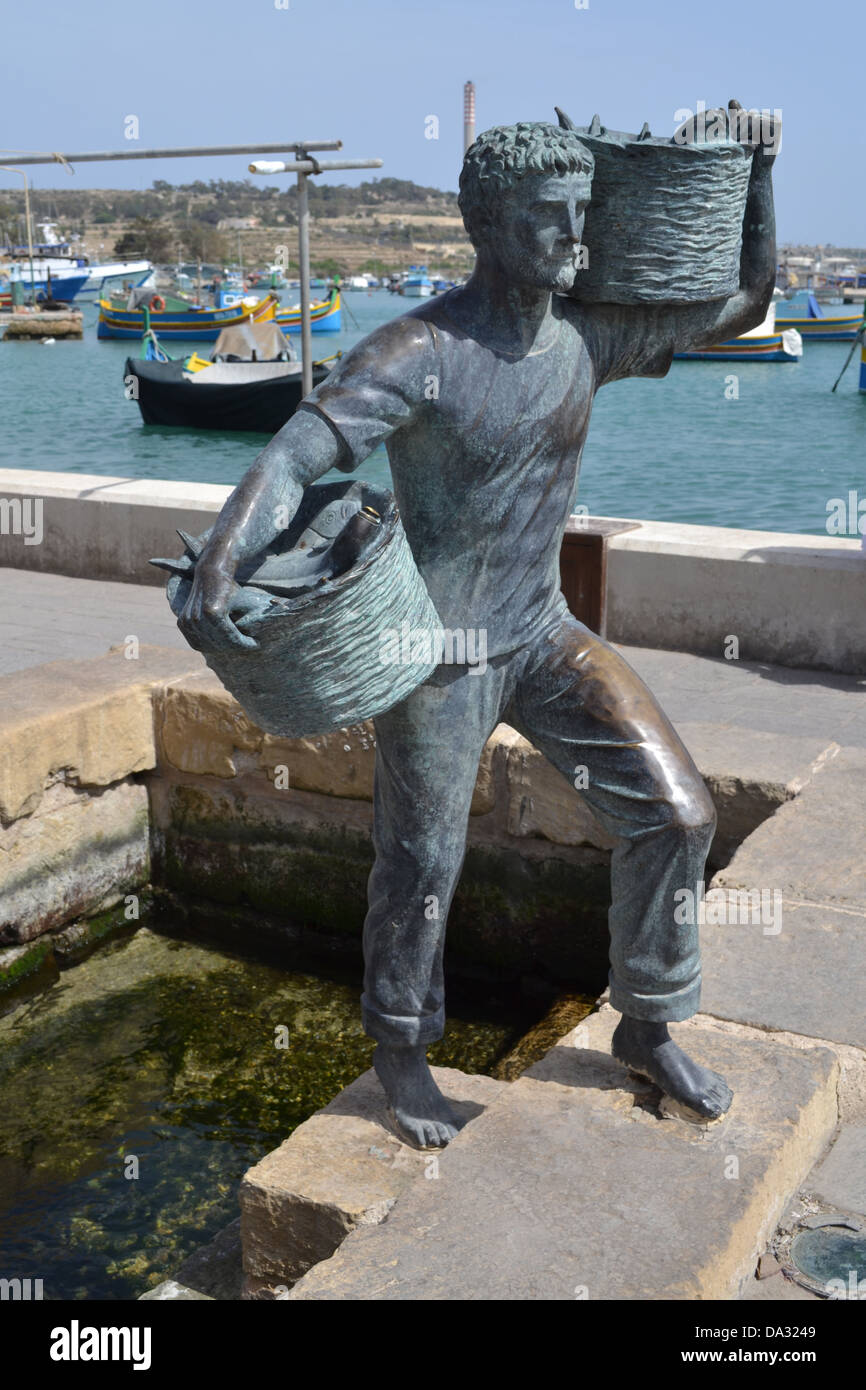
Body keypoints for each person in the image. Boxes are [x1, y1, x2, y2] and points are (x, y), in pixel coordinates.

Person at [179, 115, 778, 1148]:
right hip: (438, 652)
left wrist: (760, 174)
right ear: (485, 225)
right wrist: (222, 561)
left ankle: (647, 1020)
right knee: (420, 862)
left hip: (542, 634)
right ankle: (401, 1052)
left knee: (675, 815)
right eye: (547, 216)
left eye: (579, 213)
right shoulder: (420, 351)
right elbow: (294, 455)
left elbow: (744, 302)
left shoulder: (587, 336)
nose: (570, 236)